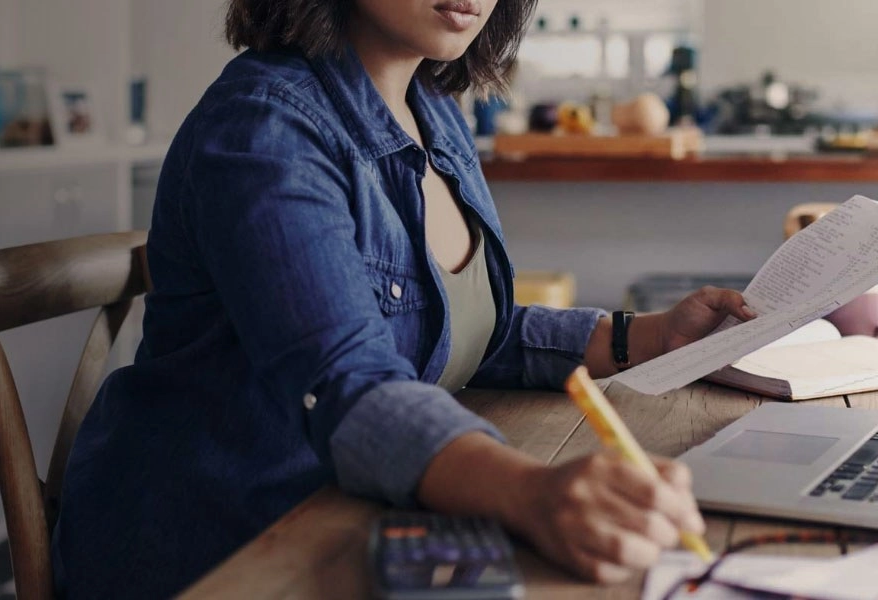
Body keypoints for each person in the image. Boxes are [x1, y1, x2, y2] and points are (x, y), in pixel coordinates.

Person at [51, 0, 756, 596]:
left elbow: (468, 329)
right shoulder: (265, 129)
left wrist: (645, 336)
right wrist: (533, 492)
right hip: (224, 548)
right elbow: (352, 384)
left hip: (348, 514)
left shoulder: (435, 113)